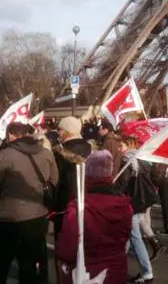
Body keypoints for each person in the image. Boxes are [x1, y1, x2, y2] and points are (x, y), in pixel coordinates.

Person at [56, 150, 133, 284]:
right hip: (115, 270)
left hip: (85, 273)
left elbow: (67, 250)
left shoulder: (78, 206)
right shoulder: (125, 205)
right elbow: (125, 238)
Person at [0, 122, 58, 284]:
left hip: (8, 218)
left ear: (11, 135)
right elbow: (54, 180)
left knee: (3, 262)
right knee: (31, 265)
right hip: (38, 216)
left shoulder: (5, 155)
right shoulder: (46, 153)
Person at [52, 116, 91, 283]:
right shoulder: (92, 148)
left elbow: (55, 180)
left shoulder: (59, 152)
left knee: (63, 248)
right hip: (88, 203)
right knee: (83, 245)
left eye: (60, 130)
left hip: (64, 205)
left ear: (67, 132)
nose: (58, 133)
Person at [115, 136, 157, 283]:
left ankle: (147, 273)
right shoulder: (143, 158)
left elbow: (123, 183)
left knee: (135, 237)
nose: (119, 149)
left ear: (129, 145)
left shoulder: (128, 160)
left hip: (132, 201)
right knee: (127, 236)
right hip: (142, 200)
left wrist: (114, 193)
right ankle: (117, 267)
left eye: (121, 146)